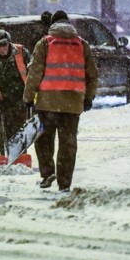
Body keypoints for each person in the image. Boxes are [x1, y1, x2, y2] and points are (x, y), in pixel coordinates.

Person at [23, 10, 98, 192]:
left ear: (52, 26)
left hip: (47, 102)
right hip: (72, 104)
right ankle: (64, 183)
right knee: (68, 143)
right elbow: (92, 75)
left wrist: (27, 97)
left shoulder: (45, 43)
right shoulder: (82, 44)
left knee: (44, 140)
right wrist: (88, 97)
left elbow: (34, 72)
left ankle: (48, 173)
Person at [0, 29, 32, 155]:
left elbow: (33, 73)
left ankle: (21, 156)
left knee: (19, 130)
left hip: (21, 98)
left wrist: (31, 95)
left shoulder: (21, 52)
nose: (2, 48)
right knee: (2, 132)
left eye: (4, 44)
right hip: (2, 100)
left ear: (9, 42)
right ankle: (4, 156)